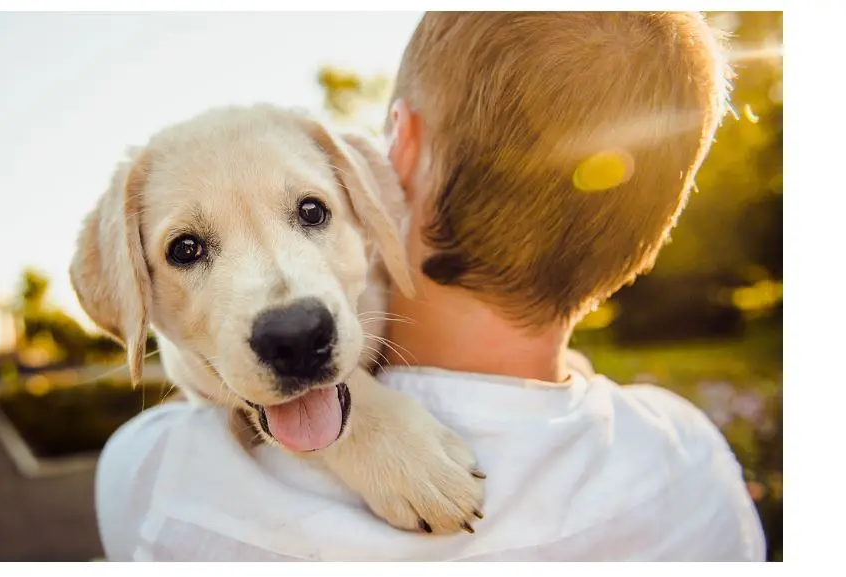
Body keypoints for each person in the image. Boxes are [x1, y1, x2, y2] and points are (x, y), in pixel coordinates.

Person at [94, 12, 765, 561]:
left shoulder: (160, 482)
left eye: (310, 212)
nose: (286, 307)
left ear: (398, 151)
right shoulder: (693, 458)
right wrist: (359, 420)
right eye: (188, 248)